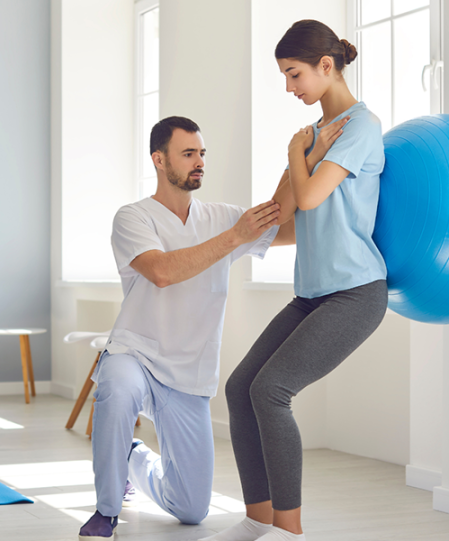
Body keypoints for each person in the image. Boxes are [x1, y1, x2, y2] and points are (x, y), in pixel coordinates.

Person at [203, 20, 389, 541]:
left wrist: (295, 155)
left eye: (294, 74)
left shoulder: (361, 126)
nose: (290, 87)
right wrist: (301, 155)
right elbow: (282, 212)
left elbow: (309, 198)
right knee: (241, 387)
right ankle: (256, 521)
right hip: (312, 295)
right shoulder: (311, 136)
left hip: (355, 292)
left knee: (271, 390)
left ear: (326, 67)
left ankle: (288, 532)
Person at [78, 116, 296, 541]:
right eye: (188, 154)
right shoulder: (133, 217)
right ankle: (106, 512)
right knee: (118, 391)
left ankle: (133, 457)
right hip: (134, 354)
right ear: (159, 160)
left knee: (193, 510)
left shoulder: (222, 217)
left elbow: (284, 224)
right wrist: (235, 238)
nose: (199, 162)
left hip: (189, 372)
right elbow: (161, 271)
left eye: (201, 154)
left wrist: (297, 166)